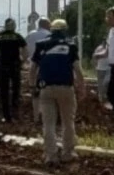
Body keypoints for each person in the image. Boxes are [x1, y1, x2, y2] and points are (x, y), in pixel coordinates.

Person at [30, 19, 84, 166]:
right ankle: (67, 153)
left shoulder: (41, 45)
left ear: (51, 30)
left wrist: (32, 86)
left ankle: (50, 155)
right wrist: (81, 87)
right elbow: (78, 70)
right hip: (66, 88)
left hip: (46, 88)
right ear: (65, 30)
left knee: (48, 123)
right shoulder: (71, 46)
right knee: (68, 122)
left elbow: (33, 68)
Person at [0, 18, 28, 122]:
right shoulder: (17, 36)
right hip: (14, 66)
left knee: (4, 91)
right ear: (14, 26)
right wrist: (23, 62)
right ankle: (15, 113)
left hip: (2, 66)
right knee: (16, 89)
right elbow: (25, 51)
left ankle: (6, 115)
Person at [26, 17, 52, 123]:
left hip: (33, 66)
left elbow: (25, 50)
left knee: (35, 93)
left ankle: (36, 117)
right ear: (47, 25)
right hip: (46, 68)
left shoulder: (30, 35)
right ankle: (46, 115)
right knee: (47, 93)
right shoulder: (49, 36)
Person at [92, 39, 112, 106]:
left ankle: (106, 95)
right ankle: (101, 98)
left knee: (106, 82)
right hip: (100, 68)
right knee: (100, 85)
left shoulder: (110, 48)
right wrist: (95, 66)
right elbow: (94, 57)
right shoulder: (99, 48)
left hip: (108, 68)